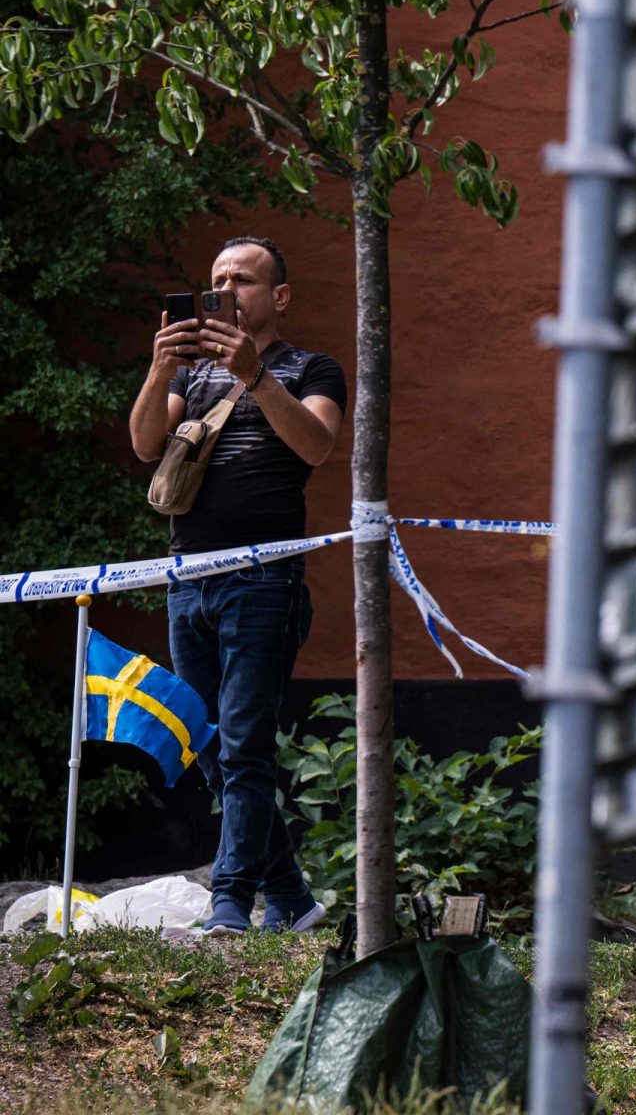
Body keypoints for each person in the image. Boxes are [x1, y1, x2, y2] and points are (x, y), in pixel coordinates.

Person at [130, 236, 347, 936]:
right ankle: (292, 898)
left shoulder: (311, 368)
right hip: (187, 582)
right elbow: (143, 446)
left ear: (277, 296)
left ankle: (231, 905)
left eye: (243, 280)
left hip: (263, 581)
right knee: (212, 743)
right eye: (218, 279)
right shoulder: (189, 377)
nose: (227, 290)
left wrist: (255, 378)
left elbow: (316, 445)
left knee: (246, 743)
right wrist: (159, 366)